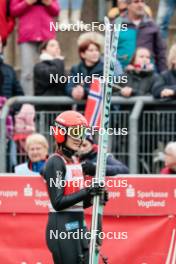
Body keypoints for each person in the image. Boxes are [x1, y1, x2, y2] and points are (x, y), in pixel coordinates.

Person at [44, 111, 108, 264]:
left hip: (78, 225)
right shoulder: (55, 162)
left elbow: (78, 204)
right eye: (75, 132)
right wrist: (87, 191)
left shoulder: (75, 161)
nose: (79, 138)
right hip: (62, 227)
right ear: (61, 133)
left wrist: (94, 198)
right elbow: (58, 203)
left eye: (82, 132)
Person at [10, 0, 60, 95]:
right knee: (27, 73)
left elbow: (56, 11)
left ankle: (47, 103)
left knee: (50, 72)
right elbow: (13, 11)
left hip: (47, 36)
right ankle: (28, 103)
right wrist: (28, 2)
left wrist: (47, 2)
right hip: (27, 36)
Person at [116, 0, 167, 73]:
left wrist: (163, 74)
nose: (140, 5)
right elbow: (109, 51)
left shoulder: (152, 26)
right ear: (128, 5)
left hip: (148, 75)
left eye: (142, 2)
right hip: (122, 74)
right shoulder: (117, 25)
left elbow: (161, 53)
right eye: (136, 2)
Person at [65, 32, 104, 100]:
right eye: (91, 50)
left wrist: (84, 92)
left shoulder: (105, 69)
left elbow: (103, 90)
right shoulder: (76, 68)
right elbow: (69, 86)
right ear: (82, 54)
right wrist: (73, 91)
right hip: (80, 108)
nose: (95, 53)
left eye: (97, 50)